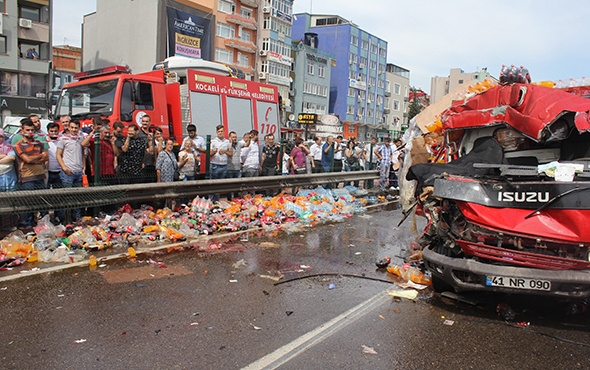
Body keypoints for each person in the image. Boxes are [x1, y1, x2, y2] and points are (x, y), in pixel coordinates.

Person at [13, 120, 48, 227]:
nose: (30, 132)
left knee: (42, 201)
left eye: (32, 130)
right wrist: (38, 156)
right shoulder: (18, 145)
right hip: (27, 177)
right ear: (22, 130)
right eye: (27, 130)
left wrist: (33, 159)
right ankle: (27, 225)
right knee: (27, 202)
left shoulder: (39, 143)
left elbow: (45, 157)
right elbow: (27, 159)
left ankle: (44, 224)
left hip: (40, 176)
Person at [56, 120, 86, 220]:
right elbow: (58, 154)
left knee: (77, 198)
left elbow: (83, 153)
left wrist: (83, 167)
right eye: (72, 127)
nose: (74, 130)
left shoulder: (81, 138)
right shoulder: (63, 138)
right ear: (68, 127)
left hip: (79, 171)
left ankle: (76, 219)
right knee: (66, 197)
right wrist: (64, 168)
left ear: (79, 128)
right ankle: (64, 219)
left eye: (76, 128)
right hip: (68, 172)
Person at [0, 128, 19, 229]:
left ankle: (9, 225)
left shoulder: (8, 146)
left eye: (1, 136)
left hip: (8, 178)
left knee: (9, 202)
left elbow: (12, 157)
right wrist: (4, 156)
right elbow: (7, 157)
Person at [209, 125, 232, 202]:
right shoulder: (213, 141)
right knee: (213, 184)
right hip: (215, 164)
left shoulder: (227, 141)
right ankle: (210, 200)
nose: (220, 133)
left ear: (224, 132)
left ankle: (216, 201)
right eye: (219, 131)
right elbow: (209, 154)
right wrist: (214, 152)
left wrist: (225, 151)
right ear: (216, 132)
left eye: (222, 131)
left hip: (224, 165)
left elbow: (231, 153)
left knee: (220, 185)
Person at [226, 131, 244, 201]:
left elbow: (246, 144)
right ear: (229, 137)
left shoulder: (238, 144)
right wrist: (230, 144)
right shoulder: (227, 144)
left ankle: (236, 199)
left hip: (237, 168)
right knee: (229, 186)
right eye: (233, 137)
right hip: (229, 168)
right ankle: (229, 199)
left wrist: (248, 138)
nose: (234, 139)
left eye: (235, 137)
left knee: (237, 185)